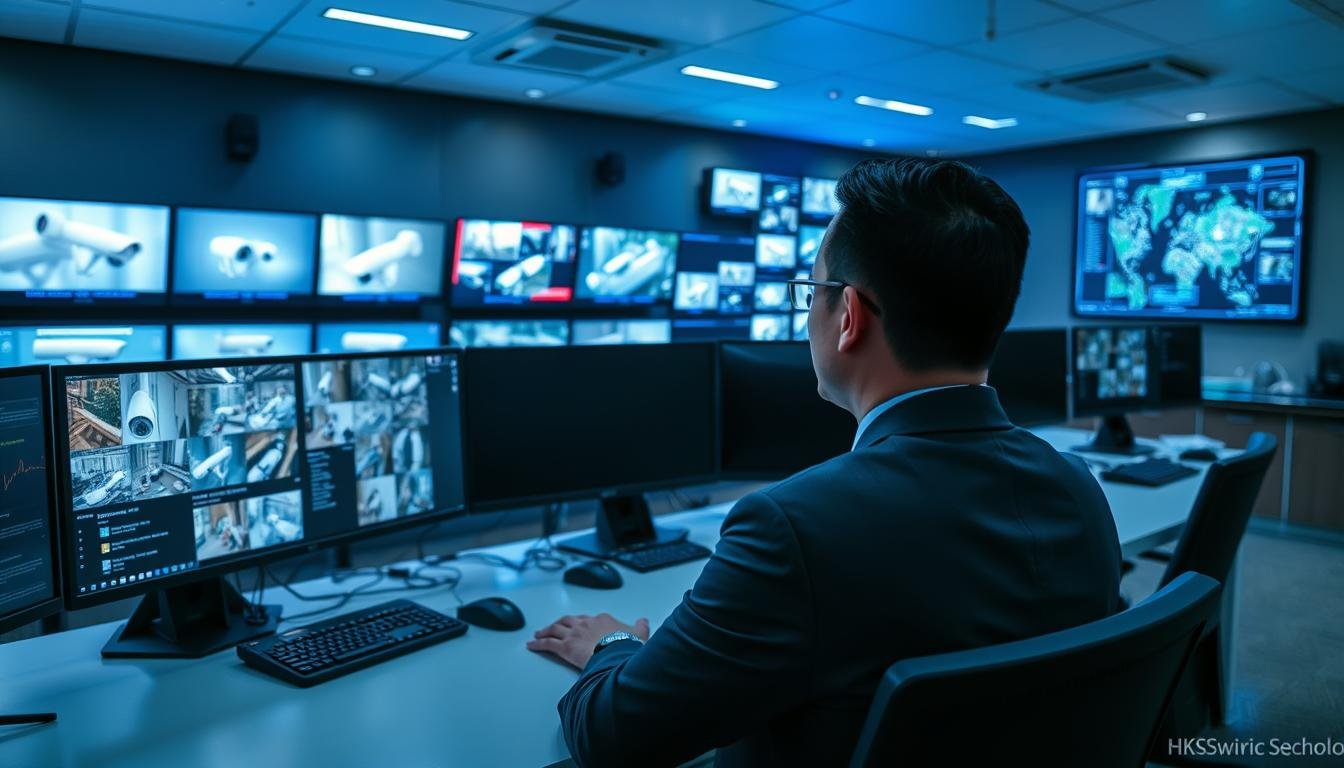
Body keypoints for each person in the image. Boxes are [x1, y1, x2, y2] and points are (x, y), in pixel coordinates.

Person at [527, 158, 1123, 767]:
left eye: (811, 293)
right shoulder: (1077, 486)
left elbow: (612, 739)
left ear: (848, 317)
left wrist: (613, 642)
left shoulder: (794, 526)